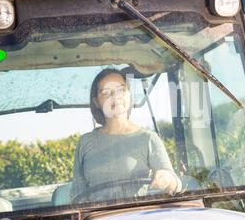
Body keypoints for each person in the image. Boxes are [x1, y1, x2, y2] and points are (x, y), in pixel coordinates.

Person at [70, 67, 181, 203]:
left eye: (121, 90)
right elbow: (76, 196)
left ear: (129, 94)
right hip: (96, 219)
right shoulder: (85, 142)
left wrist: (167, 179)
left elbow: (175, 184)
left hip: (136, 217)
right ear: (96, 102)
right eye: (106, 93)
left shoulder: (148, 138)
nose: (115, 97)